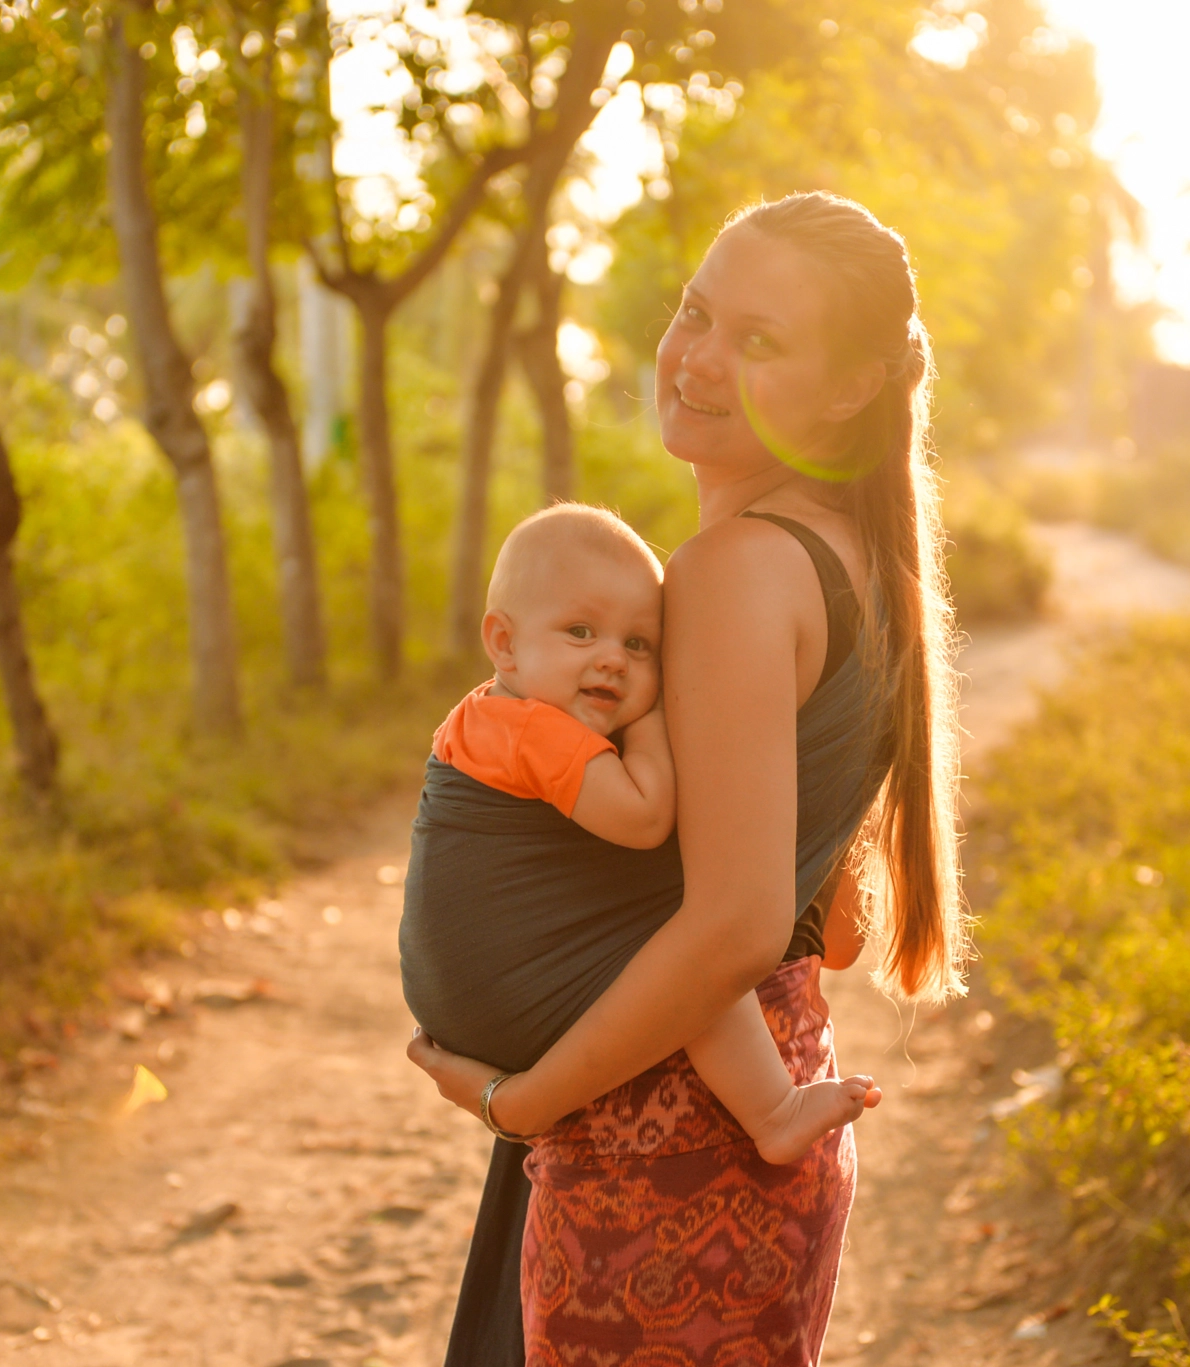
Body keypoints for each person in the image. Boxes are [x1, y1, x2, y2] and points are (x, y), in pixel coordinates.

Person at [408, 190, 967, 1365]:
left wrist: (525, 1101)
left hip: (651, 1146)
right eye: (696, 311)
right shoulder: (851, 562)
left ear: (853, 385)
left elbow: (734, 925)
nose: (697, 357)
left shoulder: (732, 573)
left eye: (758, 341)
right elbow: (833, 923)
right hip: (727, 1125)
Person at [400, 501, 880, 1166]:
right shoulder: (530, 731)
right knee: (687, 948)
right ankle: (773, 1110)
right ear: (503, 643)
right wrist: (653, 715)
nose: (613, 661)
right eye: (580, 631)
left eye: (638, 644)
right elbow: (645, 815)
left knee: (690, 939)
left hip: (462, 1009)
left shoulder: (480, 718)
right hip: (511, 1000)